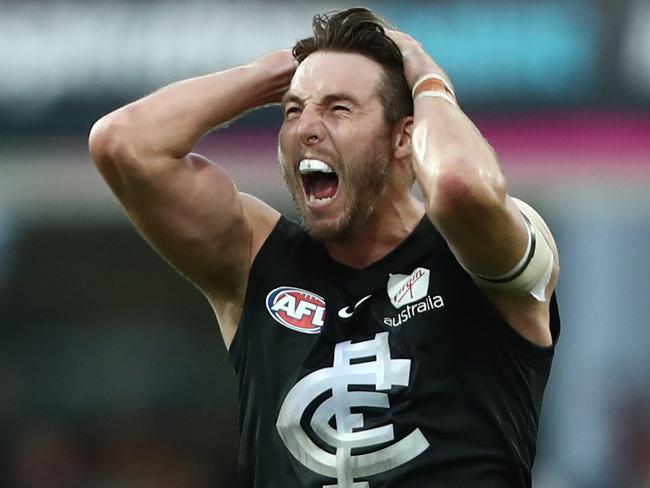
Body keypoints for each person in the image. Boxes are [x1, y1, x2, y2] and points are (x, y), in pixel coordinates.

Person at [89, 7, 560, 488]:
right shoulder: (256, 261)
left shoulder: (480, 252)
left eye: (339, 109)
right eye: (293, 111)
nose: (306, 129)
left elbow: (461, 186)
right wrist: (270, 73)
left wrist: (429, 82)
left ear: (404, 138)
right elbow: (122, 143)